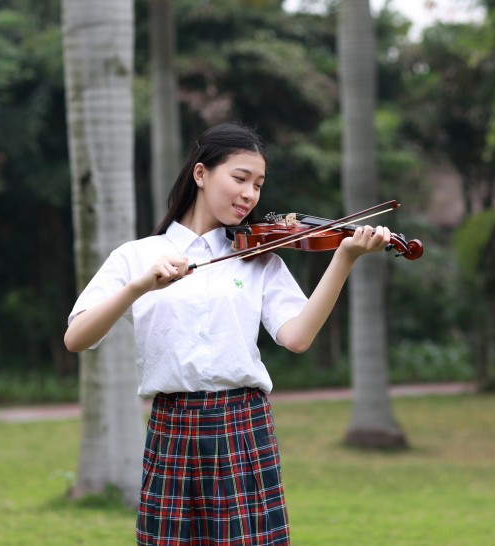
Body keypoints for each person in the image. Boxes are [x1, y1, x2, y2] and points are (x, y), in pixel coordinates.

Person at [64, 121, 391, 545]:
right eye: (239, 178)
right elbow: (77, 337)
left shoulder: (257, 257)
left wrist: (344, 257)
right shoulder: (138, 257)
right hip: (172, 427)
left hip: (242, 425)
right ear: (201, 174)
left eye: (258, 184)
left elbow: (297, 337)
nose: (250, 195)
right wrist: (138, 287)